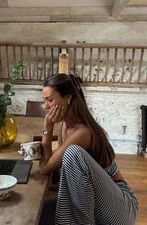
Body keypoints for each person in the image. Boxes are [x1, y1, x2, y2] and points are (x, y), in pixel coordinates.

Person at [39, 73, 138, 225]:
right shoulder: (65, 125)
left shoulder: (83, 133)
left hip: (120, 207)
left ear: (68, 98)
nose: (46, 106)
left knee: (73, 153)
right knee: (40, 212)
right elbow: (51, 164)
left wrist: (47, 128)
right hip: (95, 199)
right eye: (44, 101)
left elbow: (45, 167)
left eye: (50, 100)